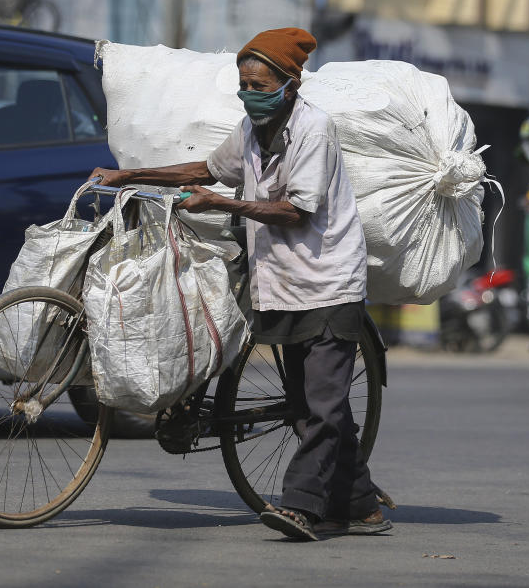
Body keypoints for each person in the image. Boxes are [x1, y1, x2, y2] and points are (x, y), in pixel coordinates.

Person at [89, 27, 392, 541]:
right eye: (244, 85)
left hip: (329, 284)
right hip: (280, 283)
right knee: (308, 406)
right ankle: (362, 504)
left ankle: (300, 506)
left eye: (260, 84)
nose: (251, 94)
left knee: (320, 406)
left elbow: (295, 211)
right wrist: (132, 176)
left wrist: (222, 203)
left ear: (290, 84)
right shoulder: (251, 133)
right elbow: (205, 169)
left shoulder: (313, 130)